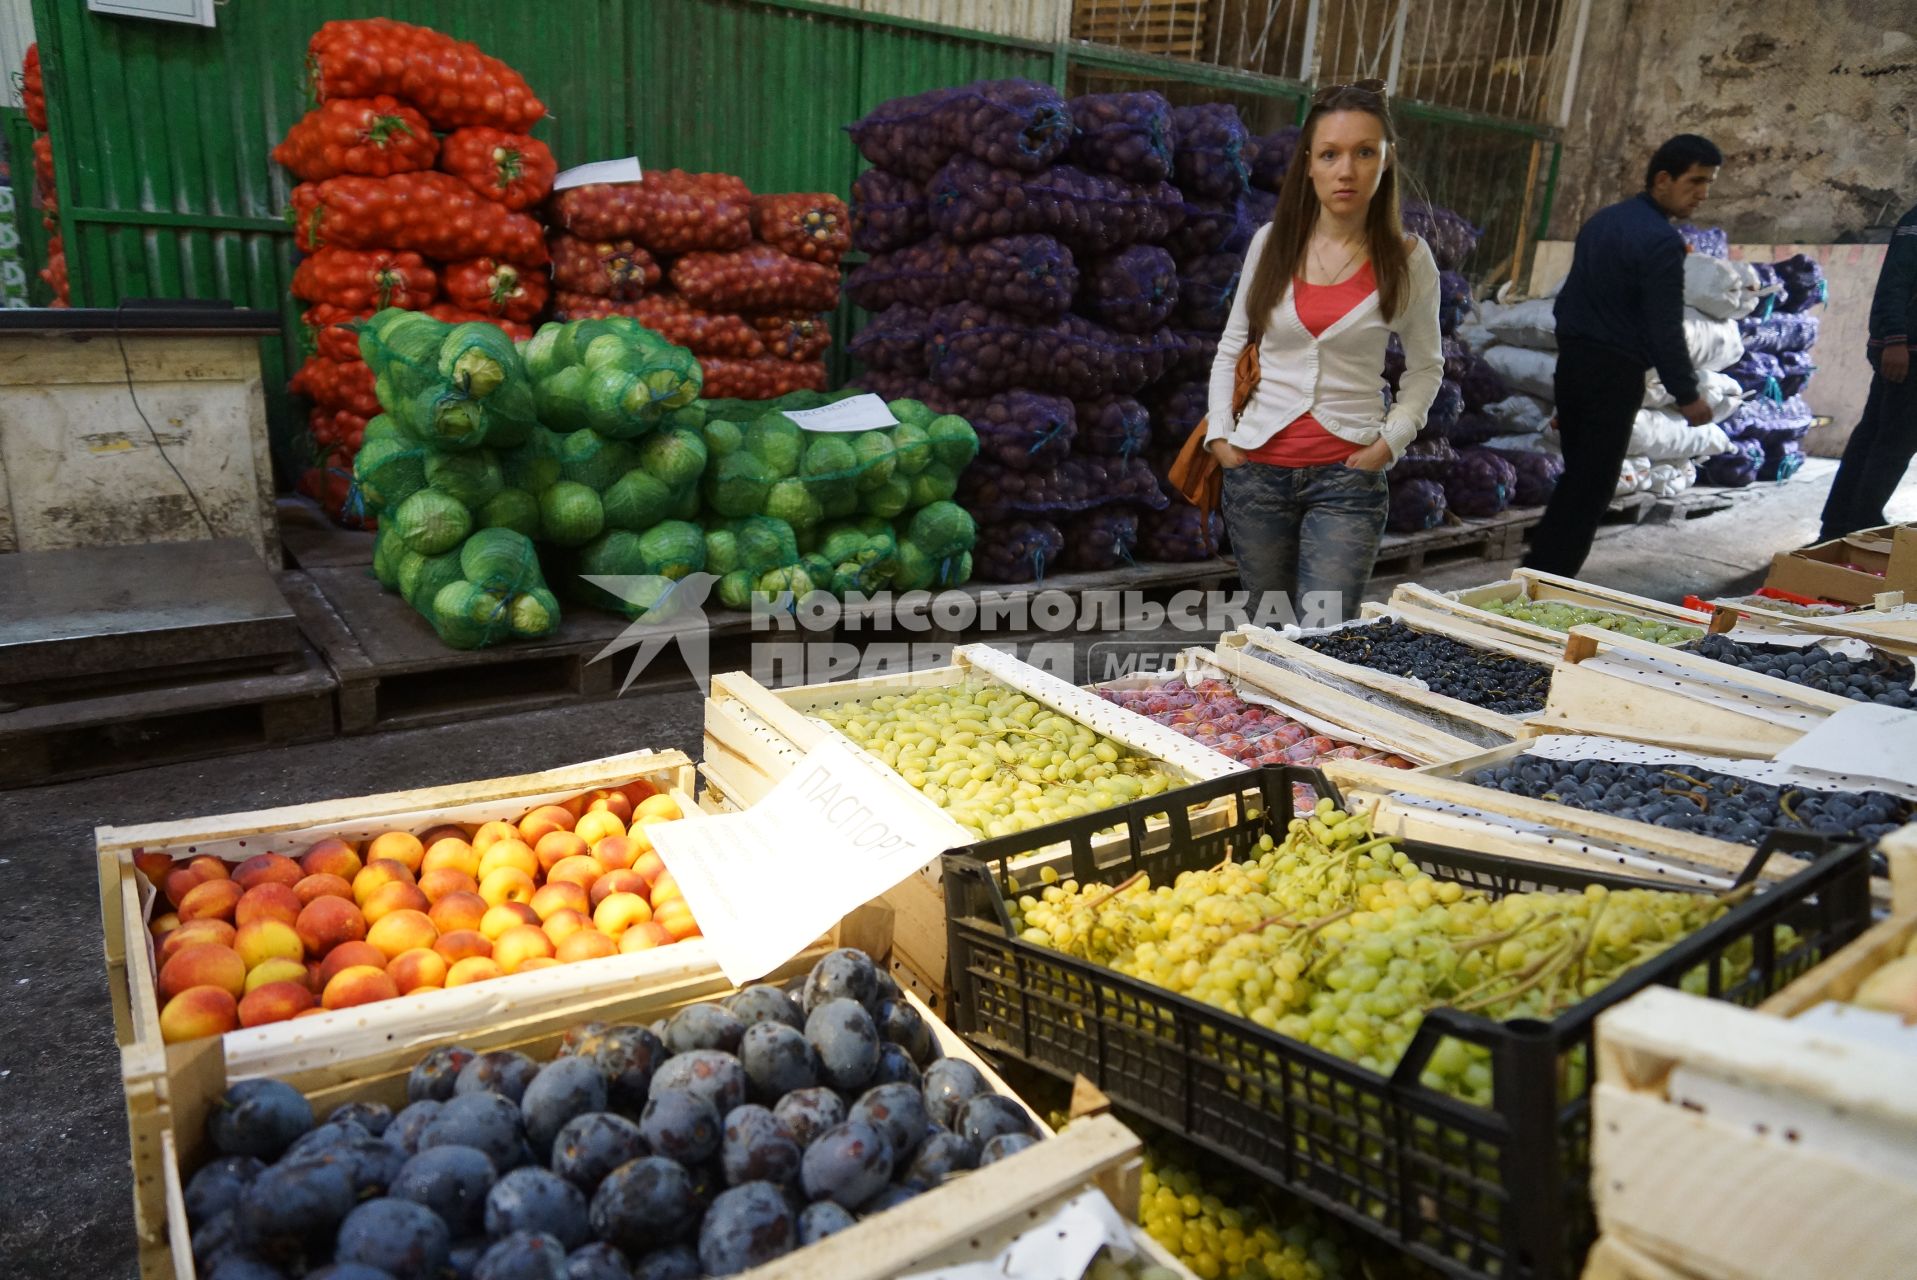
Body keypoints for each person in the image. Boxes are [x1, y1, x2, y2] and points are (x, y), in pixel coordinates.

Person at [1206, 79, 1442, 623]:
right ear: (1308, 163)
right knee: (1269, 630)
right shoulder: (1272, 243)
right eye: (1330, 154)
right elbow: (1232, 346)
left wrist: (1391, 441)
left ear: (1386, 161)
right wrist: (1220, 435)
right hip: (1257, 472)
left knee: (1326, 631)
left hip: (1347, 480)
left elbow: (1427, 367)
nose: (1347, 170)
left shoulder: (1409, 260)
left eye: (1364, 152)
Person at [1522, 134, 1722, 578]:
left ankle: (1538, 566)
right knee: (1592, 486)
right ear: (1662, 179)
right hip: (1613, 374)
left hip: (1573, 365)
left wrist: (1568, 384)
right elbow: (1664, 328)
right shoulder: (1662, 242)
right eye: (1695, 181)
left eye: (1708, 183)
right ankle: (1547, 576)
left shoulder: (1603, 221)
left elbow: (1567, 302)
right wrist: (1686, 395)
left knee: (1578, 477)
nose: (1702, 194)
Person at [1819, 202, 1916, 540]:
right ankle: (1861, 524)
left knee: (1873, 437)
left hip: (1904, 349)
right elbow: (1895, 284)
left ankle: (1838, 525)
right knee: (1894, 443)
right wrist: (1895, 340)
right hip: (1905, 352)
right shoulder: (1914, 225)